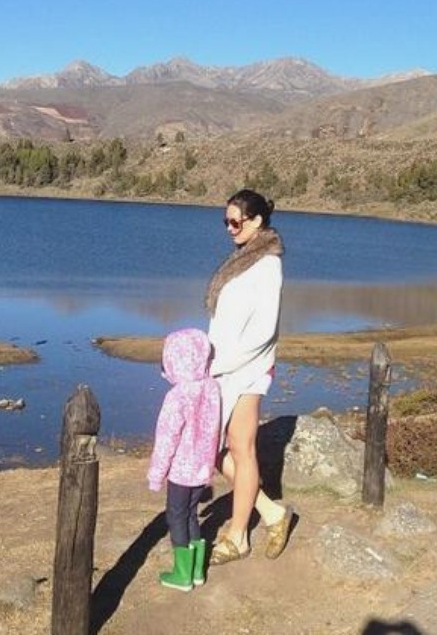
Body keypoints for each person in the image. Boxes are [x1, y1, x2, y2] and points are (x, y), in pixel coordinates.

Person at [205, 188, 295, 565]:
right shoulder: (243, 259)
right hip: (223, 367)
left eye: (235, 221)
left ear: (257, 221)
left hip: (246, 369)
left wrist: (220, 365)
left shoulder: (267, 265)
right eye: (225, 221)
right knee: (210, 447)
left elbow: (263, 331)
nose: (229, 228)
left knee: (240, 449)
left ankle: (238, 536)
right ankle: (272, 513)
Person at [147, 327, 222, 591]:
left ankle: (182, 575)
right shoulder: (212, 387)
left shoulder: (177, 396)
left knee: (176, 516)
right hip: (203, 467)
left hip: (182, 470)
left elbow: (166, 439)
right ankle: (197, 571)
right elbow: (217, 427)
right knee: (191, 514)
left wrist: (156, 475)